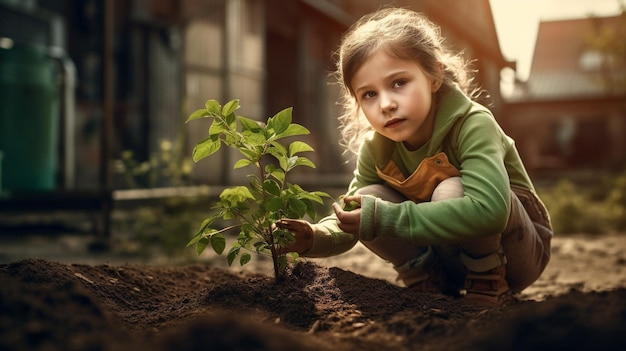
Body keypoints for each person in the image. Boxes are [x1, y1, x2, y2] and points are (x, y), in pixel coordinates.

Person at [276, 7, 552, 306]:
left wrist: (386, 217)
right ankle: (427, 279)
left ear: (434, 76)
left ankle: (487, 277)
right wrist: (315, 237)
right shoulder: (376, 147)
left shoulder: (473, 124)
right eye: (369, 94)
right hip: (446, 258)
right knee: (368, 198)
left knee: (449, 190)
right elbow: (352, 214)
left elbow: (490, 211)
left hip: (517, 254)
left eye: (399, 83)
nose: (386, 104)